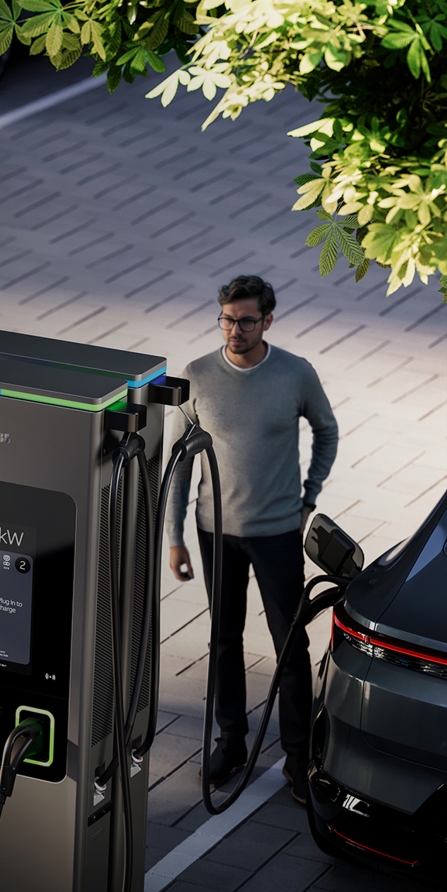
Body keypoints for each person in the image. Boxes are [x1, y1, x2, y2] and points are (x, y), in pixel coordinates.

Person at [167, 275, 339, 804]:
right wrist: (173, 537)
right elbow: (178, 461)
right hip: (215, 531)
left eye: (244, 320)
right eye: (225, 318)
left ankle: (296, 757)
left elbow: (326, 430)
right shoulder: (197, 376)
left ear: (267, 320)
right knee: (224, 640)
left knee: (291, 646)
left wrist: (308, 497)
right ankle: (231, 742)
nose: (233, 330)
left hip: (278, 532)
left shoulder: (295, 373)